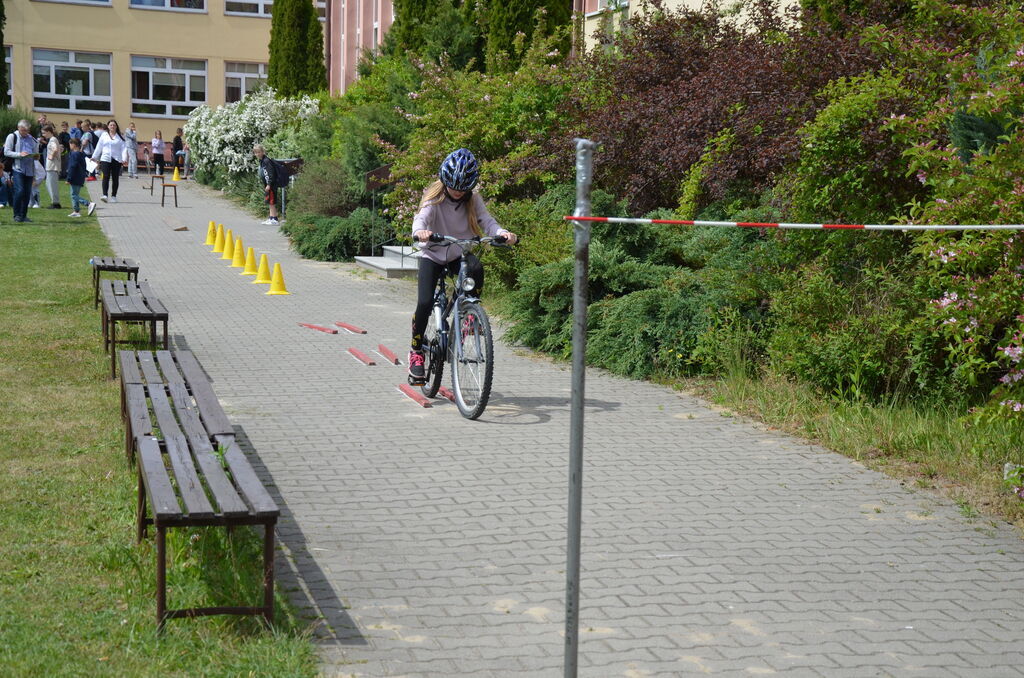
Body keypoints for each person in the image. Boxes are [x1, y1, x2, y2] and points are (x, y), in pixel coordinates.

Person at [407, 148, 518, 382]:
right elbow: (421, 218)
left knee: (476, 269)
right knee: (425, 302)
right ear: (445, 181)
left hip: (458, 252)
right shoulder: (433, 198)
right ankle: (416, 352)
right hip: (433, 254)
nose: (458, 192)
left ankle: (467, 314)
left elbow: (487, 221)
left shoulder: (473, 200)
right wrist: (420, 232)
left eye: (463, 188)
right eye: (454, 187)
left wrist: (502, 233)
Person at [4, 119, 39, 223]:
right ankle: (17, 215)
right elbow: (6, 152)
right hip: (17, 168)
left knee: (27, 193)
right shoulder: (12, 136)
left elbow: (36, 153)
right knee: (19, 191)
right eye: (23, 130)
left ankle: (24, 215)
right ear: (18, 128)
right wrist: (19, 154)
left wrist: (36, 156)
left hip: (29, 170)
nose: (25, 132)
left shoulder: (32, 139)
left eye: (27, 130)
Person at [92, 119, 128, 203]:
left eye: (114, 125)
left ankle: (114, 196)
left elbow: (124, 148)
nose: (112, 126)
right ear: (108, 126)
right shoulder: (104, 135)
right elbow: (99, 146)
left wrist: (124, 159)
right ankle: (105, 195)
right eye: (111, 125)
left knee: (115, 178)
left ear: (116, 127)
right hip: (105, 159)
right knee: (105, 176)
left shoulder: (120, 137)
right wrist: (94, 157)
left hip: (117, 159)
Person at [65, 138, 95, 218]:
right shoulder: (81, 154)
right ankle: (76, 211)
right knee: (75, 194)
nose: (70, 146)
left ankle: (88, 204)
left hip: (75, 177)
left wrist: (69, 178)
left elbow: (72, 166)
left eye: (70, 144)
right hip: (80, 176)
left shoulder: (74, 154)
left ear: (73, 144)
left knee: (74, 195)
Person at [253, 144, 281, 225]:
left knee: (272, 201)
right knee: (269, 201)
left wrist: (269, 184)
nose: (257, 154)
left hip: (271, 185)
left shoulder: (266, 161)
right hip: (267, 185)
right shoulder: (262, 160)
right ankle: (271, 217)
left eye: (259, 152)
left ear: (263, 151)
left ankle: (274, 219)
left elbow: (270, 173)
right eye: (256, 152)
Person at [41, 123, 62, 209]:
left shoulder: (53, 139)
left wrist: (51, 156)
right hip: (51, 166)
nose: (43, 135)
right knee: (48, 184)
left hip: (52, 166)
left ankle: (56, 203)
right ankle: (54, 201)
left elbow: (56, 149)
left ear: (49, 132)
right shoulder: (52, 139)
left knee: (52, 185)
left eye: (44, 133)